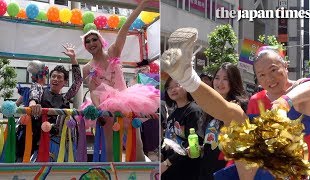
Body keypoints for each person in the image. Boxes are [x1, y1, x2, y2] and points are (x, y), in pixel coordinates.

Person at [160, 27, 310, 179]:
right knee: (235, 116)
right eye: (262, 75)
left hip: (288, 171)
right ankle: (186, 75)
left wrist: (284, 102)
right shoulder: (257, 99)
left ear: (285, 65)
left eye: (273, 70)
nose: (269, 79)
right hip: (252, 169)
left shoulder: (300, 88)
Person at [80, 0, 160, 162]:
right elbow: (94, 90)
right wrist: (98, 110)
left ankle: (140, 175)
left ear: (101, 41)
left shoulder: (113, 52)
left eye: (94, 39)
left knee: (136, 142)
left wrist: (142, 6)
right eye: (87, 42)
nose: (91, 43)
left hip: (128, 102)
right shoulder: (87, 68)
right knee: (110, 145)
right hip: (106, 108)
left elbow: (125, 28)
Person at [25, 44, 82, 162]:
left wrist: (73, 59)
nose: (55, 79)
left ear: (65, 82)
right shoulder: (40, 90)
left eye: (59, 77)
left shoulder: (65, 98)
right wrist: (33, 105)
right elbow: (33, 97)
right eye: (53, 76)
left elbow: (78, 81)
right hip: (41, 141)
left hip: (63, 142)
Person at [196, 62, 248, 179]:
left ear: (234, 81)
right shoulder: (209, 106)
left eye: (226, 79)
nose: (220, 83)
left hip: (226, 168)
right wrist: (202, 148)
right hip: (207, 167)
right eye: (217, 78)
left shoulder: (238, 106)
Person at [161, 77, 203, 180]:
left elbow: (192, 143)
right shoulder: (172, 115)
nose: (172, 90)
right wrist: (162, 155)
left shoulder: (193, 111)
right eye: (169, 88)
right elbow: (168, 140)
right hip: (170, 170)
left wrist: (167, 163)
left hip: (185, 170)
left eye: (177, 85)